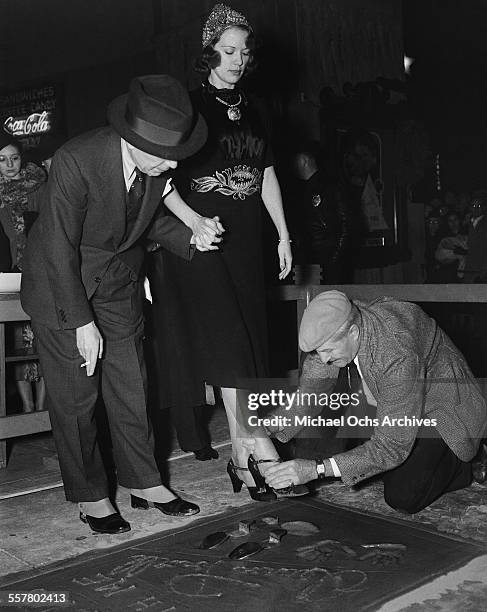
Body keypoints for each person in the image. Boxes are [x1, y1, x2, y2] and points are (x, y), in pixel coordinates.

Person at [20, 74, 220, 534]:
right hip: (61, 284)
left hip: (116, 283)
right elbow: (58, 246)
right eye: (164, 156)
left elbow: (137, 222)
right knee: (77, 397)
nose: (171, 166)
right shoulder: (77, 159)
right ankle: (90, 494)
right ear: (132, 137)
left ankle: (144, 481)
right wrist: (81, 322)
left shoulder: (154, 168)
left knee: (132, 385)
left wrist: (193, 234)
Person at [149, 4, 299, 501]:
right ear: (210, 52)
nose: (238, 60)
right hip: (202, 245)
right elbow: (159, 177)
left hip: (246, 245)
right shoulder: (188, 107)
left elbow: (266, 173)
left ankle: (241, 455)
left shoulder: (256, 109)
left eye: (244, 51)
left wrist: (283, 234)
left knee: (248, 349)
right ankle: (260, 448)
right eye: (228, 51)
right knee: (231, 347)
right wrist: (192, 222)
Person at [264, 290, 487, 514]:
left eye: (328, 351)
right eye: (318, 352)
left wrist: (318, 470)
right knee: (344, 458)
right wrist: (268, 427)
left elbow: (391, 447)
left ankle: (467, 462)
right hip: (397, 400)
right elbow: (311, 395)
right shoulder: (337, 328)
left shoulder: (395, 353)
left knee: (403, 495)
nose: (324, 360)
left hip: (441, 406)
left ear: (353, 332)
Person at [0, 134, 46, 413]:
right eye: (2, 160)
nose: (9, 165)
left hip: (41, 272)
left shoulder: (39, 185)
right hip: (11, 275)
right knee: (18, 344)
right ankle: (28, 411)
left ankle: (42, 413)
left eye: (14, 158)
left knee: (42, 339)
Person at [292, 141, 350, 282]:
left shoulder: (330, 185)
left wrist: (335, 258)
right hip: (306, 261)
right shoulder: (297, 190)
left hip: (326, 261)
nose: (291, 166)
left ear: (303, 160)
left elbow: (346, 223)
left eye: (294, 160)